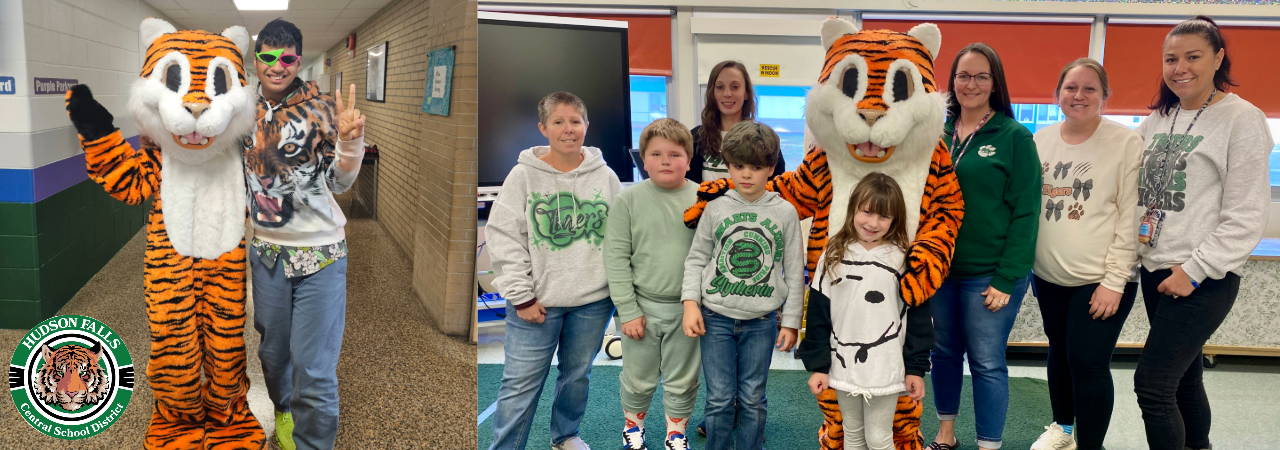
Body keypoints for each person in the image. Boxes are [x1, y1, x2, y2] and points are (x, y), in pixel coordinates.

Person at [1130, 16, 1272, 450]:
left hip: (1201, 278)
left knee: (1152, 387)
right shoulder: (1160, 118)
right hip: (1155, 268)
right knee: (1185, 381)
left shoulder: (1241, 119)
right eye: (1171, 59)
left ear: (1218, 58)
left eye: (1193, 56)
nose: (1180, 67)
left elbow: (1247, 214)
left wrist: (1193, 271)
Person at [244, 19, 365, 450]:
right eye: (268, 56)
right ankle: (282, 409)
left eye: (287, 58)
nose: (277, 66)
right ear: (256, 59)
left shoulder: (323, 109)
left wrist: (351, 144)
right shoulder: (240, 108)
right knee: (274, 355)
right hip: (267, 252)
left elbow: (340, 184)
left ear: (298, 59)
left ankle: (314, 442)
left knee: (314, 369)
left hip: (322, 253)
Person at [487, 91, 622, 450]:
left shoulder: (606, 177)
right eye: (558, 122)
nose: (568, 129)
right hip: (536, 304)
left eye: (575, 121)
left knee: (577, 376)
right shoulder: (522, 176)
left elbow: (621, 236)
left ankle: (565, 436)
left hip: (593, 301)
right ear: (543, 128)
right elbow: (503, 236)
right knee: (521, 383)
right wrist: (521, 295)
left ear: (586, 126)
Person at [927, 43, 1042, 450]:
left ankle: (988, 445)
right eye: (962, 75)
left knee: (987, 362)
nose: (970, 84)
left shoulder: (1014, 137)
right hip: (939, 269)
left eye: (981, 76)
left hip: (989, 275)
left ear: (995, 84)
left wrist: (1007, 278)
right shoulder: (934, 132)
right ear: (951, 81)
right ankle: (945, 432)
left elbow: (1027, 214)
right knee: (942, 354)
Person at [1029, 58, 1143, 450]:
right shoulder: (1040, 139)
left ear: (1105, 96)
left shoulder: (1125, 142)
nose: (1079, 95)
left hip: (1101, 279)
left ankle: (1091, 446)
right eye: (1071, 87)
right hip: (1048, 276)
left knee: (1088, 363)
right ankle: (1063, 429)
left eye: (1090, 88)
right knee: (1059, 354)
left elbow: (1131, 216)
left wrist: (1114, 281)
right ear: (1058, 93)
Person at [681, 121, 804, 450]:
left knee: (753, 398)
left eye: (756, 166)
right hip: (715, 318)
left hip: (761, 322)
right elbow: (696, 259)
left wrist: (791, 321)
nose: (747, 174)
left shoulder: (785, 212)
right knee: (719, 399)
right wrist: (690, 303)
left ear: (771, 168)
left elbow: (794, 270)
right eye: (738, 166)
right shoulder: (716, 207)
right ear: (728, 165)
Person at [797, 173, 931, 450]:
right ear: (853, 209)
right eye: (866, 212)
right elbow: (819, 315)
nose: (872, 223)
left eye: (883, 216)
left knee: (879, 438)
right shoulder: (833, 253)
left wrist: (916, 369)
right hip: (843, 364)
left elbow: (918, 320)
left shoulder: (905, 258)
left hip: (887, 366)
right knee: (853, 434)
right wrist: (819, 366)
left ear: (895, 220)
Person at [604, 118, 701, 450]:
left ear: (688, 160)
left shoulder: (704, 198)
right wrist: (628, 311)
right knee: (638, 377)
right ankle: (634, 431)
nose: (665, 161)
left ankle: (676, 434)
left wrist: (699, 304)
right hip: (640, 308)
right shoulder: (628, 201)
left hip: (688, 310)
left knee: (683, 378)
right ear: (643, 160)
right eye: (656, 154)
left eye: (675, 154)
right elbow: (615, 258)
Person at [689, 61, 785, 183]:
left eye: (735, 87)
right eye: (720, 87)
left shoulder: (764, 138)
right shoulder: (695, 138)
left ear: (746, 93)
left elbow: (778, 186)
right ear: (713, 92)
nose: (727, 94)